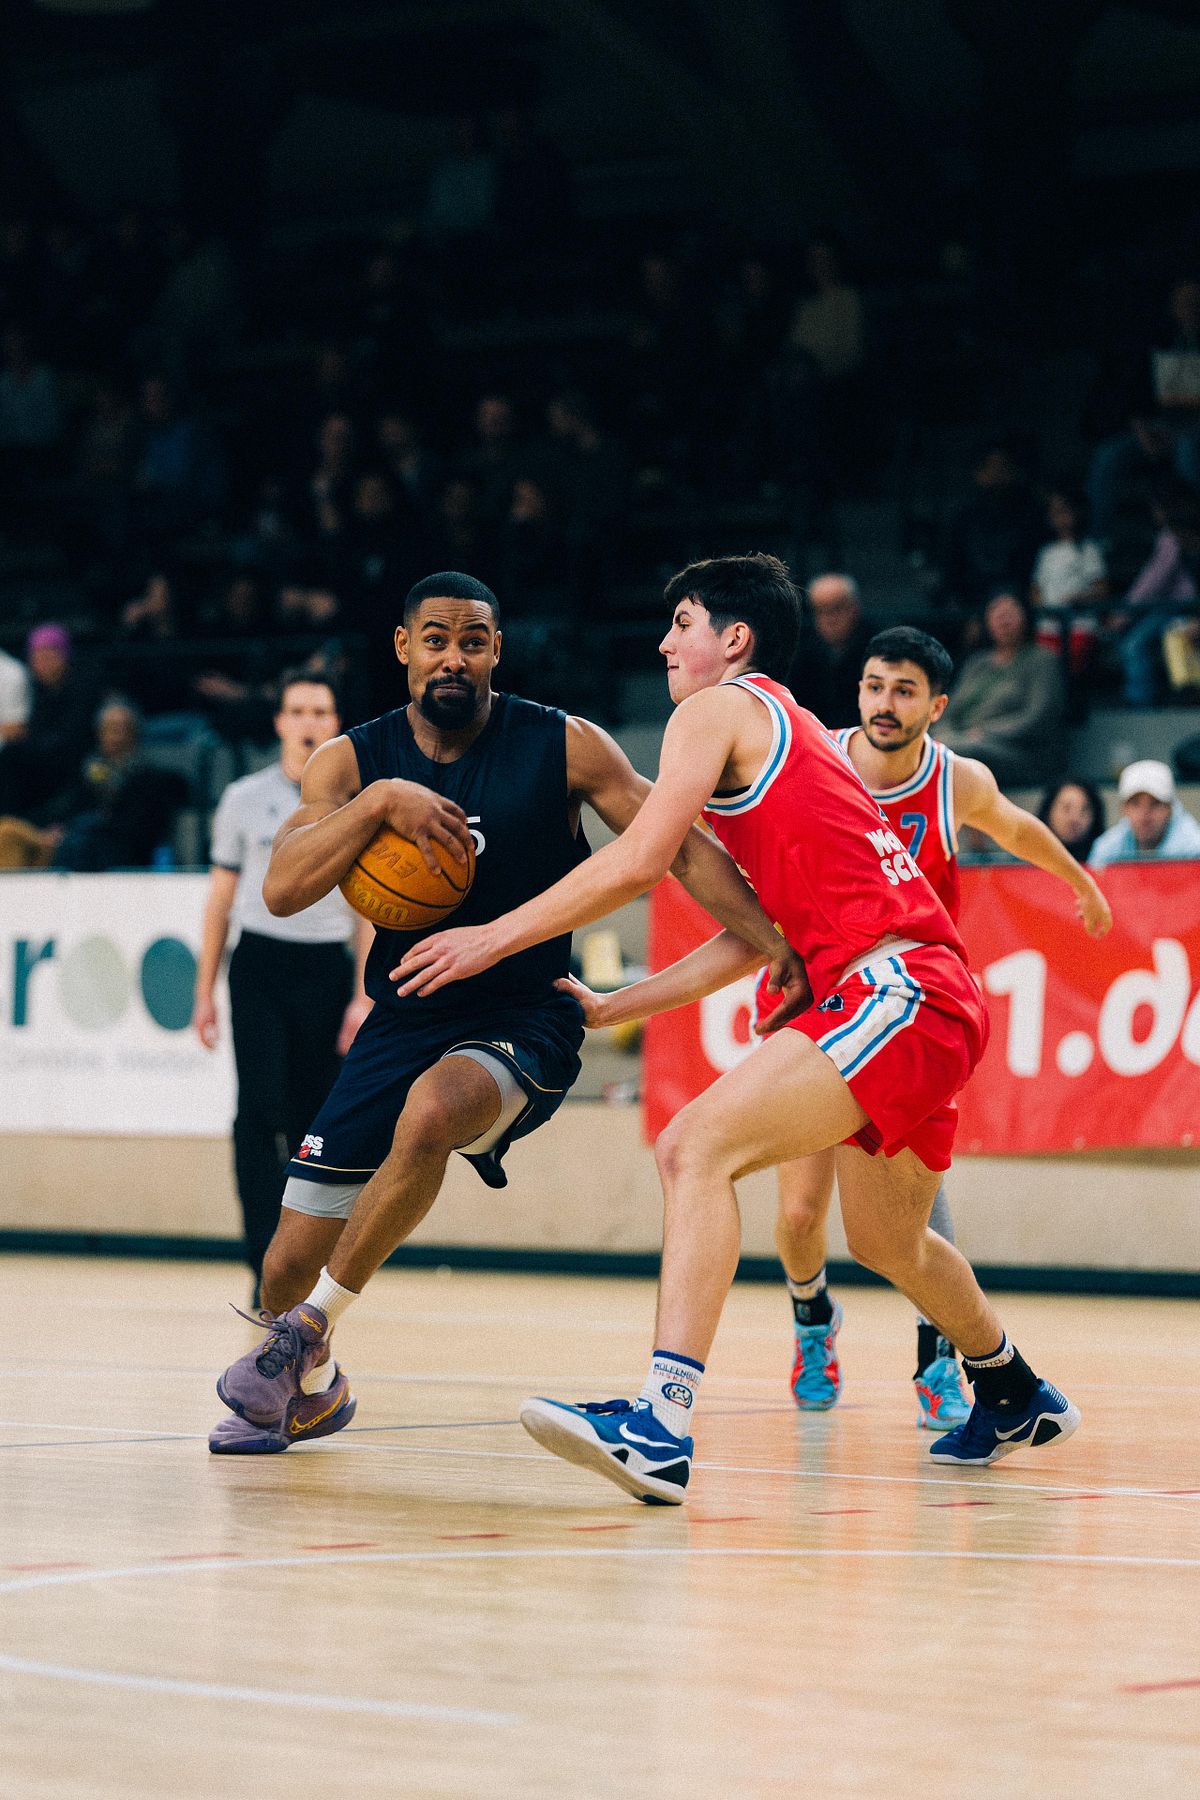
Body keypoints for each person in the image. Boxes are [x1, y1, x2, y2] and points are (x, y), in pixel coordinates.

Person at [394, 554, 1083, 1503]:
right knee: (889, 1242)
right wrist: (614, 1005)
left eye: (682, 621)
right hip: (928, 997)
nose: (664, 642)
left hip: (897, 986)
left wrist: (491, 937)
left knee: (693, 1149)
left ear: (735, 639)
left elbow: (640, 859)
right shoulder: (791, 734)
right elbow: (754, 939)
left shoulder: (717, 710)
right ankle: (1011, 1387)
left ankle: (661, 1425)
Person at [210, 571, 801, 1455]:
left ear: (497, 650)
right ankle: (320, 1387)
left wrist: (773, 938)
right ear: (404, 648)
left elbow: (676, 844)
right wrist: (379, 805)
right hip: (403, 1015)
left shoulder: (565, 745)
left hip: (527, 1015)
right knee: (284, 1263)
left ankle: (308, 1333)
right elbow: (285, 890)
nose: (456, 656)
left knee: (435, 1111)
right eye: (438, 639)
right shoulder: (352, 763)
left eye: (475, 640)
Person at [769, 628, 1111, 1431]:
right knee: (796, 1215)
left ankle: (938, 1357)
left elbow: (1019, 830)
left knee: (914, 1204)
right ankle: (813, 1319)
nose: (884, 704)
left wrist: (1080, 880)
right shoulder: (817, 758)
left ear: (938, 705)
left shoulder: (956, 779)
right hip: (818, 993)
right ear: (857, 690)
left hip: (910, 1004)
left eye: (904, 691)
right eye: (873, 685)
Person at [192, 674, 369, 1300]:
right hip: (260, 966)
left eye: (320, 710)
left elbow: (366, 910)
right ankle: (260, 1261)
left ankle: (302, 1267)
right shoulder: (243, 798)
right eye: (296, 710)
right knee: (258, 1112)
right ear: (279, 723)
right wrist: (203, 991)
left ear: (336, 722)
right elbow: (220, 899)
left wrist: (361, 993)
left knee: (312, 1124)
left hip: (324, 969)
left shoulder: (357, 802)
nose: (308, 722)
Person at [935, 590, 1065, 788]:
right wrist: (938, 735)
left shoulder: (1042, 660)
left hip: (1019, 751)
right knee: (925, 746)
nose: (1003, 617)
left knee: (959, 751)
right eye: (996, 611)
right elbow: (949, 709)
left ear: (1026, 616)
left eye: (1011, 610)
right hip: (962, 739)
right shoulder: (977, 663)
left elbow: (1039, 717)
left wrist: (985, 732)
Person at [786, 572, 875, 727]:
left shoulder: (875, 650)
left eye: (837, 608)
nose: (829, 619)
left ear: (854, 609)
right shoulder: (801, 653)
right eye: (821, 610)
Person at [1088, 760, 1200, 868]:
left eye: (1155, 803)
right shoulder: (1106, 849)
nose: (1145, 813)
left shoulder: (1194, 849)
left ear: (1170, 809)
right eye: (1135, 803)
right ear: (1124, 809)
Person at [1039, 777, 1106, 865]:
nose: (1075, 819)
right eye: (1066, 808)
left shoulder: (1106, 855)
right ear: (1048, 811)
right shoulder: (1026, 855)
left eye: (1084, 810)